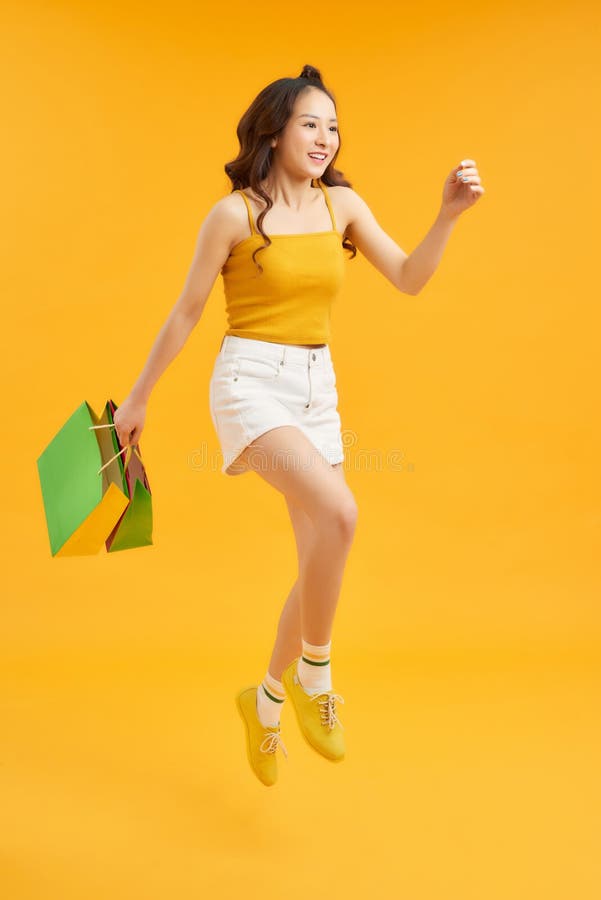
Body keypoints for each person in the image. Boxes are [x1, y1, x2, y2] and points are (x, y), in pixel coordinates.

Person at [112, 64, 485, 787]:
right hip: (249, 381)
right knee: (342, 514)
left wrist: (447, 215)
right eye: (310, 123)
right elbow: (187, 310)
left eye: (333, 126)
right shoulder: (233, 215)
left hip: (319, 387)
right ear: (275, 130)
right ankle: (316, 678)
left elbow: (408, 277)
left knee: (320, 554)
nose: (324, 137)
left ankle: (267, 698)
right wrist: (138, 399)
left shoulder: (339, 205)